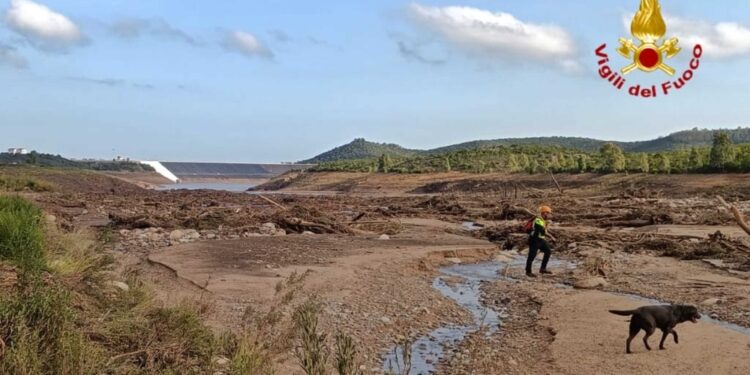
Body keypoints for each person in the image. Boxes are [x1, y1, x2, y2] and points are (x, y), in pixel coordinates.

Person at [526, 205, 556, 277]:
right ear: (544, 213)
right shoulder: (538, 220)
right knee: (531, 256)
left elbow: (543, 231)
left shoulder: (542, 220)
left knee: (548, 251)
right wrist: (551, 237)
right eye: (548, 213)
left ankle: (543, 269)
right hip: (534, 240)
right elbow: (542, 231)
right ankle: (528, 272)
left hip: (540, 240)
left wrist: (551, 236)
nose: (549, 215)